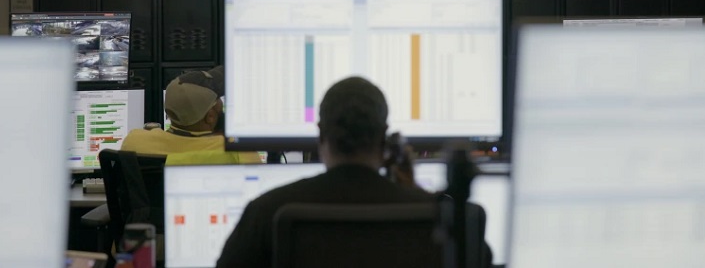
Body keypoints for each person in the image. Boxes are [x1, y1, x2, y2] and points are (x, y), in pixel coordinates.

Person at [215, 76, 492, 268]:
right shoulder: (438, 218)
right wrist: (415, 193)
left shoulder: (267, 211)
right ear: (385, 139)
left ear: (321, 135)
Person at [121, 66, 261, 164]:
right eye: (218, 99)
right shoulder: (237, 151)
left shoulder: (134, 141)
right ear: (210, 116)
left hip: (152, 207)